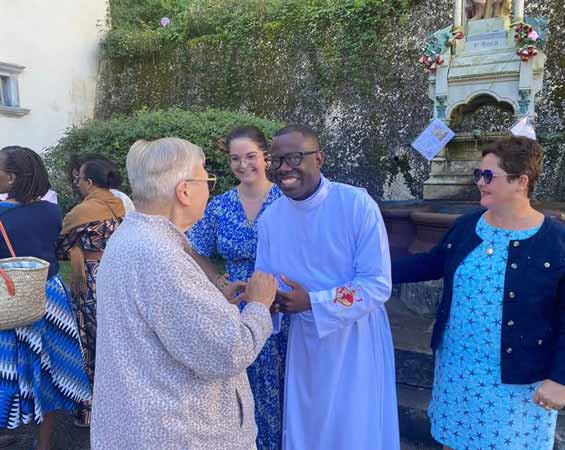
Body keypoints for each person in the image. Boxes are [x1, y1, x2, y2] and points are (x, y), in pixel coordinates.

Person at [393, 136, 565, 450]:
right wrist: (372, 270)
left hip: (518, 380)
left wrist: (563, 379)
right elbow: (428, 264)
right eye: (479, 174)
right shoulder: (467, 226)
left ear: (521, 182)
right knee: (453, 440)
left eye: (488, 176)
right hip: (458, 368)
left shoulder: (559, 240)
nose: (480, 182)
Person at [91, 137, 276, 450]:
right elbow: (228, 352)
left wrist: (216, 303)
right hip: (180, 433)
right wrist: (259, 304)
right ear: (185, 191)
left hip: (142, 425)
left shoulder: (132, 236)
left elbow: (161, 316)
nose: (210, 190)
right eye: (207, 180)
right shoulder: (162, 257)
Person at [255, 125, 400, 450]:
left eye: (294, 158)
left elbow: (376, 283)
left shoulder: (356, 205)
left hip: (356, 340)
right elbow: (266, 279)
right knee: (307, 427)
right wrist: (268, 301)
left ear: (319, 158)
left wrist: (314, 302)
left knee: (353, 429)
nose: (283, 168)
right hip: (305, 342)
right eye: (276, 160)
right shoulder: (271, 219)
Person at [187, 126, 288, 450]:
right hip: (237, 308)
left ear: (266, 158)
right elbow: (192, 248)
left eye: (250, 156)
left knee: (282, 388)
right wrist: (218, 281)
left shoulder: (286, 200)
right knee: (240, 387)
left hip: (281, 305)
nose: (243, 165)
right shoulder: (220, 206)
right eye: (235, 159)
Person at [0, 146, 90, 450]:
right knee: (50, 370)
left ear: (11, 178)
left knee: (10, 370)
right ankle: (45, 444)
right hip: (49, 295)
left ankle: (7, 427)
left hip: (10, 297)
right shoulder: (52, 211)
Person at [58, 158, 126, 427]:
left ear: (89, 182)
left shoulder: (80, 213)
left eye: (80, 179)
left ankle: (90, 410)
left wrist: (75, 251)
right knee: (114, 343)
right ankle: (118, 406)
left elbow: (61, 246)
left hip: (89, 280)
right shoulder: (119, 205)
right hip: (115, 276)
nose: (77, 183)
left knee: (88, 343)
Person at [68, 154, 135, 214]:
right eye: (74, 178)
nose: (75, 182)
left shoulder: (119, 199)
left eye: (78, 177)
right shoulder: (88, 201)